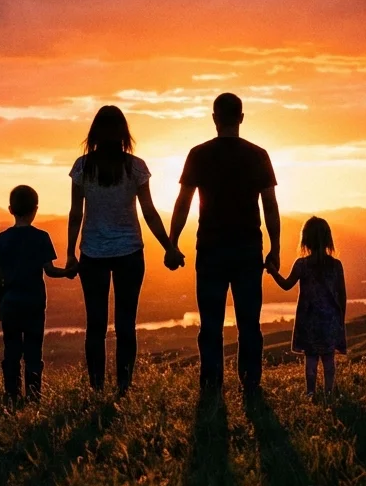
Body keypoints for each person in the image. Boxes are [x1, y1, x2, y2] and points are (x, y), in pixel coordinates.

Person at [65, 106, 182, 395]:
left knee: (95, 326)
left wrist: (70, 253)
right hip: (130, 252)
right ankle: (124, 389)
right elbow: (150, 213)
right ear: (123, 133)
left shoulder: (83, 166)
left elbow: (75, 214)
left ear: (94, 133)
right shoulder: (135, 167)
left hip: (92, 253)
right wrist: (169, 248)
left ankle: (96, 389)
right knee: (126, 325)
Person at [168, 92, 280, 393]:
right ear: (241, 118)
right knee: (249, 323)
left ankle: (212, 384)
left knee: (211, 325)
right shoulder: (258, 155)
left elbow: (183, 203)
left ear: (215, 118)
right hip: (247, 249)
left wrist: (172, 243)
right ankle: (251, 383)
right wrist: (275, 249)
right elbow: (270, 205)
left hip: (211, 249)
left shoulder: (199, 154)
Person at [0, 185, 73, 402]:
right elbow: (50, 271)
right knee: (34, 352)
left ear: (10, 209)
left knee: (12, 352)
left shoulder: (2, 238)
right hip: (35, 304)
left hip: (10, 304)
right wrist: (68, 272)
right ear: (36, 209)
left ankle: (11, 395)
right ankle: (34, 397)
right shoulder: (41, 237)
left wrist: (0, 304)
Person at [268, 217, 347, 396]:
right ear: (328, 239)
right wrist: (340, 319)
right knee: (328, 358)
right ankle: (328, 393)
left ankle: (310, 393)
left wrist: (273, 272)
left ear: (305, 240)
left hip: (308, 320)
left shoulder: (302, 264)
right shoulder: (336, 265)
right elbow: (342, 294)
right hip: (330, 320)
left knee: (311, 358)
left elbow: (287, 285)